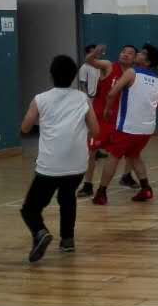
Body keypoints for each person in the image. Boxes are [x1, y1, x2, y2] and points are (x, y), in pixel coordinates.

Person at [19, 55, 99, 262]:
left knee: (29, 209)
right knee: (67, 198)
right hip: (78, 165)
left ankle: (40, 232)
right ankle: (67, 240)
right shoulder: (83, 98)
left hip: (50, 165)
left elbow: (25, 127)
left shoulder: (41, 99)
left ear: (51, 75)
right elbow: (96, 130)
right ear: (73, 76)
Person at [92, 44, 158, 205]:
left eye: (142, 53)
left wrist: (107, 109)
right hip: (147, 129)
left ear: (147, 61)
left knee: (113, 157)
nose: (138, 54)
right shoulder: (156, 79)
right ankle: (146, 188)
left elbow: (112, 93)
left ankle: (101, 193)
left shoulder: (131, 72)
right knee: (134, 156)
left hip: (128, 127)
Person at [78, 44, 137, 197]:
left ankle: (126, 176)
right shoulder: (109, 66)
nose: (125, 54)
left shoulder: (134, 74)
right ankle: (87, 185)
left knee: (132, 150)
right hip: (101, 118)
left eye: (130, 53)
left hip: (121, 119)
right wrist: (95, 54)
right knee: (92, 151)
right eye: (123, 51)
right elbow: (89, 61)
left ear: (135, 58)